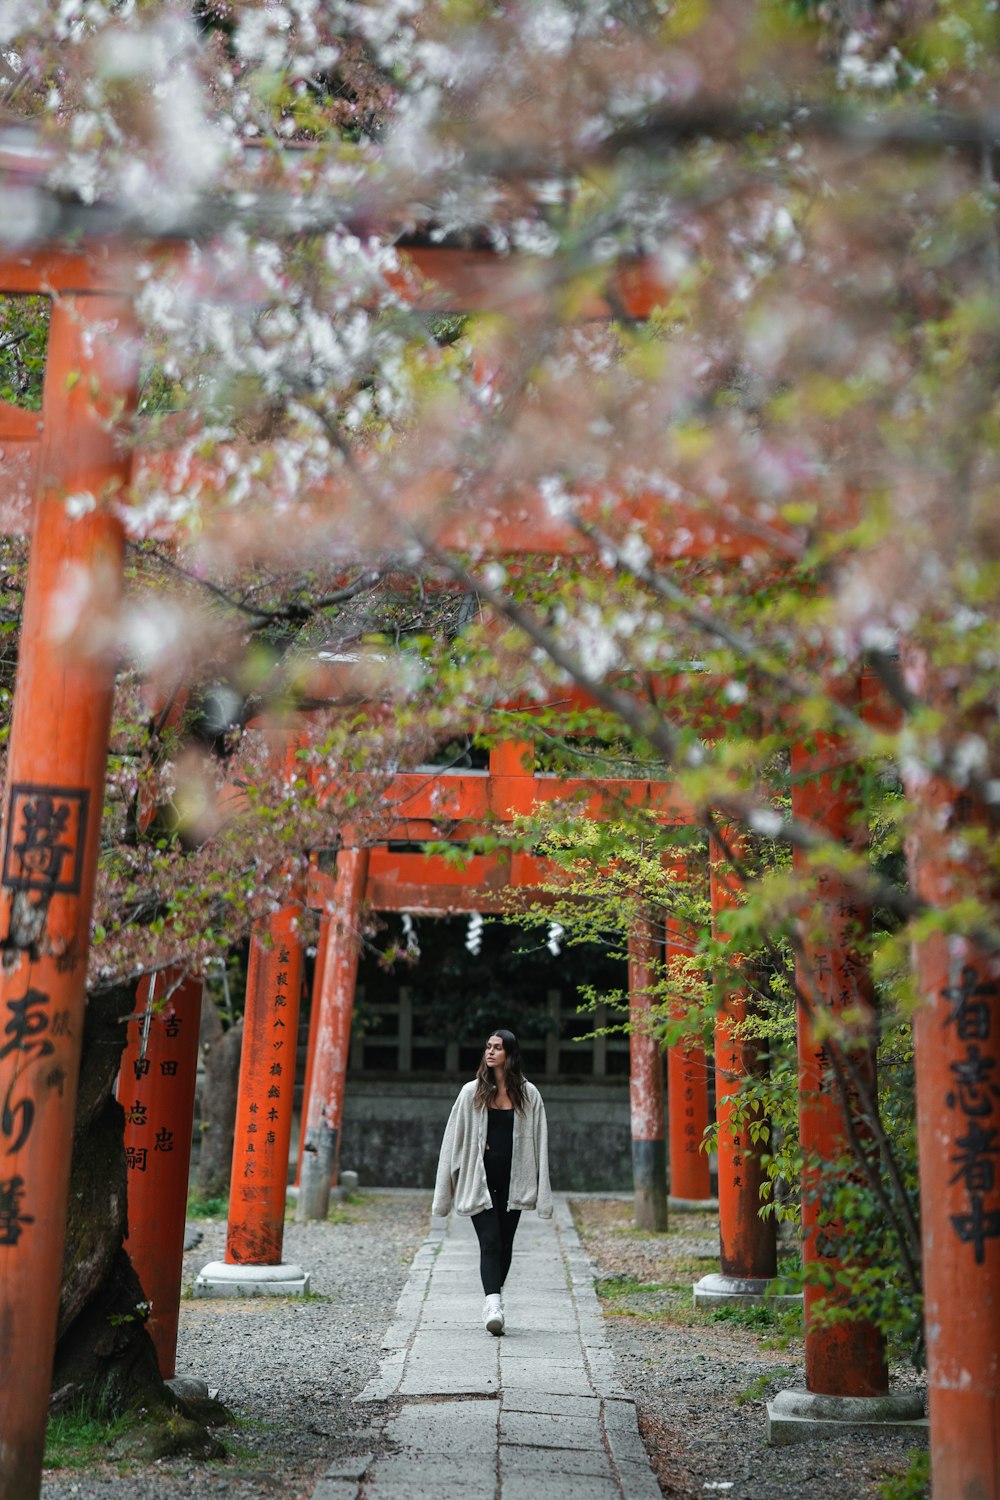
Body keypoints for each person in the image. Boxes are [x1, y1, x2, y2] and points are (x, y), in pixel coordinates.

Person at [432, 1028, 552, 1336]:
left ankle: (494, 1296)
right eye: (488, 1047)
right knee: (490, 1241)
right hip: (479, 1180)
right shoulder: (470, 1093)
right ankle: (493, 1303)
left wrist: (542, 1189)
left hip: (514, 1181)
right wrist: (445, 1189)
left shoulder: (529, 1095)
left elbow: (541, 1143)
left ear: (509, 1054)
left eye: (497, 1047)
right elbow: (452, 1141)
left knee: (507, 1243)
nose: (490, 1052)